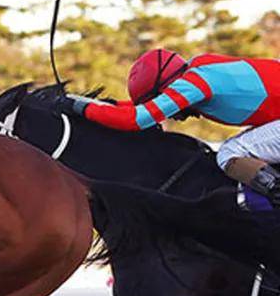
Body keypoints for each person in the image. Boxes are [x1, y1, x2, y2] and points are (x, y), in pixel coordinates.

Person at [60, 48, 280, 204]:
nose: (173, 116)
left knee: (231, 152)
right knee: (236, 146)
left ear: (169, 87)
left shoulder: (195, 83)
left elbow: (136, 119)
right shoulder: (200, 68)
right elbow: (143, 108)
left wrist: (78, 107)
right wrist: (84, 103)